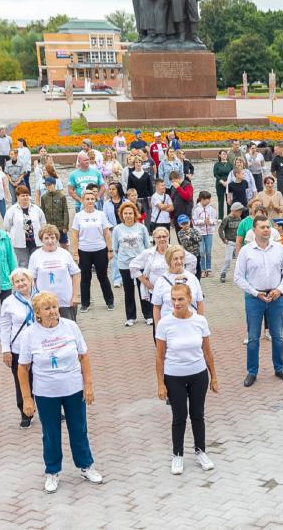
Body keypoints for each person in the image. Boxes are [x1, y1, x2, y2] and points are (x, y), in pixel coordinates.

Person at [17, 292, 102, 492]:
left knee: (79, 429)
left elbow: (83, 356)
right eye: (47, 308)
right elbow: (23, 368)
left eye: (54, 307)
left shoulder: (70, 327)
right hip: (46, 392)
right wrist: (27, 398)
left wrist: (88, 385)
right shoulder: (30, 334)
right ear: (37, 313)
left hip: (73, 388)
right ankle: (52, 471)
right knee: (51, 433)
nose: (53, 311)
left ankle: (85, 465)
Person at [155, 282, 217, 475]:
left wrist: (213, 376)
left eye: (180, 299)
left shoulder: (200, 321)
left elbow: (207, 351)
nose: (176, 303)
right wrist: (160, 384)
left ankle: (200, 451)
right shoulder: (165, 323)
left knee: (198, 414)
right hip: (174, 376)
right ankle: (178, 454)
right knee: (179, 416)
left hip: (198, 374)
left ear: (190, 299)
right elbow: (159, 356)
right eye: (173, 299)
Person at [234, 216, 283, 387]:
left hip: (276, 297)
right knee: (253, 337)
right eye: (262, 227)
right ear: (254, 231)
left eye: (268, 227)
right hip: (254, 298)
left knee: (278, 336)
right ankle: (252, 371)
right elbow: (237, 277)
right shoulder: (246, 251)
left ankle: (279, 367)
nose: (266, 230)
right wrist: (255, 292)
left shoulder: (279, 248)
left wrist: (280, 289)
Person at [0, 269, 38, 427]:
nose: (21, 284)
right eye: (17, 281)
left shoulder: (41, 297)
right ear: (13, 284)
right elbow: (5, 327)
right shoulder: (9, 302)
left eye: (24, 280)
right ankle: (25, 412)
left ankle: (51, 408)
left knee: (45, 379)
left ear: (31, 280)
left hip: (41, 347)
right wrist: (5, 350)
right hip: (19, 349)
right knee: (22, 381)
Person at [113, 202, 151, 325]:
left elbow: (147, 246)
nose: (128, 215)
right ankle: (131, 317)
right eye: (125, 213)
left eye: (130, 213)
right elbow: (115, 248)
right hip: (125, 265)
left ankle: (148, 315)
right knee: (128, 291)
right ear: (121, 215)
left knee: (143, 290)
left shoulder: (141, 228)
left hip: (140, 265)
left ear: (135, 214)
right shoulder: (117, 229)